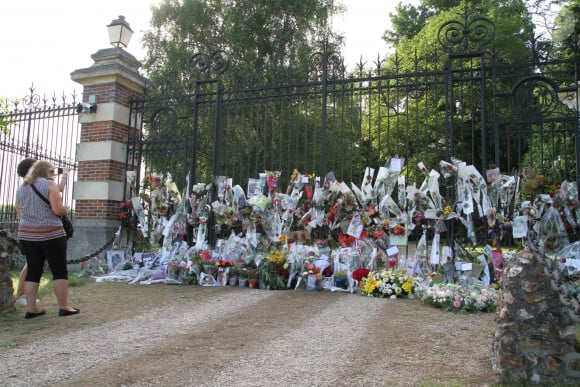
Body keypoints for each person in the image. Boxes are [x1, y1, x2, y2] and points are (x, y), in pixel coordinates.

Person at [16, 160, 79, 318]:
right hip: (50, 234)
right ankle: (64, 306)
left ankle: (31, 309)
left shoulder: (21, 188)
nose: (53, 175)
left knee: (33, 271)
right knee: (58, 270)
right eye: (52, 172)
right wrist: (65, 209)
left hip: (27, 235)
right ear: (44, 172)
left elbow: (20, 212)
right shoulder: (49, 185)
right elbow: (57, 210)